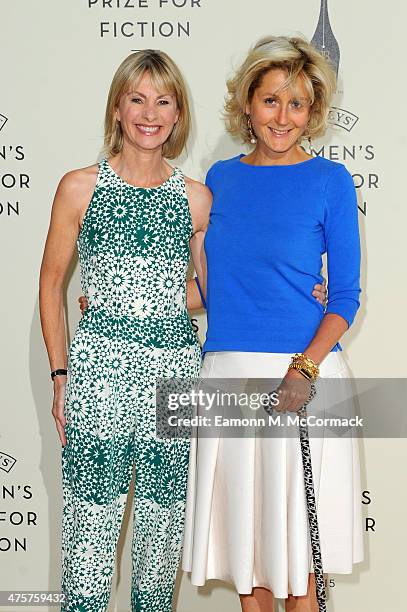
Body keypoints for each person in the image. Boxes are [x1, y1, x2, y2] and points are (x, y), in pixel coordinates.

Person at [181, 36, 363, 612]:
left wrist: (303, 370)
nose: (282, 118)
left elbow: (347, 297)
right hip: (228, 370)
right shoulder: (221, 178)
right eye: (270, 101)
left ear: (313, 114)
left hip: (302, 376)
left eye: (298, 105)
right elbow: (212, 287)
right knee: (249, 558)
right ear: (246, 105)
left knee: (299, 562)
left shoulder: (331, 182)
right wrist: (130, 302)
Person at [39, 49, 213, 612]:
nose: (149, 112)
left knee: (159, 556)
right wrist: (62, 376)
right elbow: (51, 285)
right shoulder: (78, 187)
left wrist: (310, 290)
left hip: (174, 381)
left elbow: (210, 288)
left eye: (163, 100)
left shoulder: (195, 197)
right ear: (116, 108)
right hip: (98, 380)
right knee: (88, 554)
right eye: (136, 98)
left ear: (179, 113)